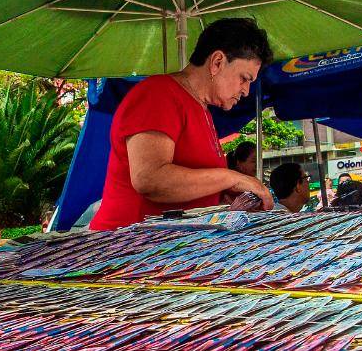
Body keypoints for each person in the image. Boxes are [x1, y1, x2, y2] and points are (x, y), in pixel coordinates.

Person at [90, 18, 274, 230]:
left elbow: (194, 187)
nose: (246, 91)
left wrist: (226, 199)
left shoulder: (202, 109)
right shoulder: (158, 94)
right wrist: (231, 178)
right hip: (127, 248)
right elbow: (149, 179)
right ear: (217, 62)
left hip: (171, 249)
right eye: (244, 78)